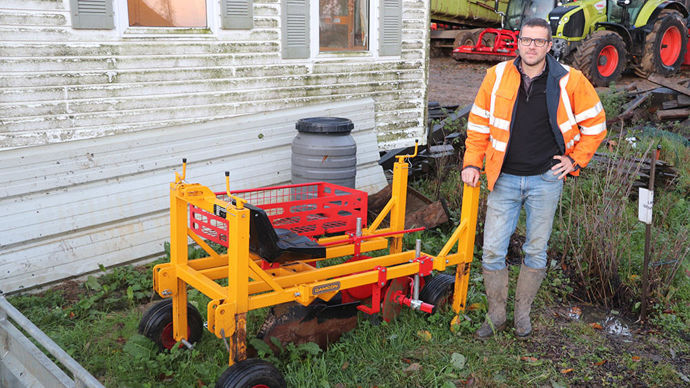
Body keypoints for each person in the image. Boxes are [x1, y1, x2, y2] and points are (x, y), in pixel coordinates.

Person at [461, 17, 606, 338]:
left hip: (546, 180)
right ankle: (497, 315)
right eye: (527, 40)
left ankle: (522, 314)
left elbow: (595, 125)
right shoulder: (496, 76)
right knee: (493, 251)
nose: (532, 46)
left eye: (539, 41)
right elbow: (478, 125)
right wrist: (472, 162)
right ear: (518, 41)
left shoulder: (571, 80)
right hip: (504, 179)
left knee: (536, 250)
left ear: (549, 45)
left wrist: (575, 160)